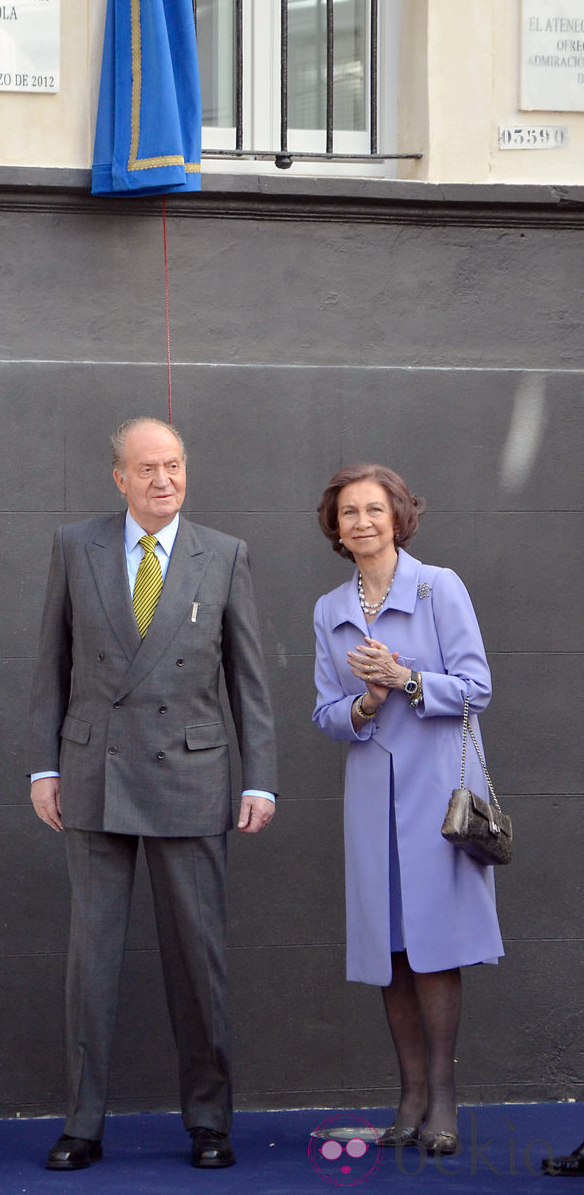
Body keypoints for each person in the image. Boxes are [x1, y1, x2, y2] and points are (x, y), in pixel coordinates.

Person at [29, 416, 277, 1171]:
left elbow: (249, 679)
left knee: (197, 960)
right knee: (90, 961)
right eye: (147, 468)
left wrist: (259, 775)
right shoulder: (76, 545)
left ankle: (209, 1120)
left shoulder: (224, 555)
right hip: (94, 774)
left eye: (173, 465)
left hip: (191, 775)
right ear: (119, 477)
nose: (163, 479)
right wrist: (45, 768)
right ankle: (81, 1121)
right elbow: (51, 664)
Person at [312, 463, 504, 1159]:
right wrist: (364, 700)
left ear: (398, 516)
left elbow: (477, 685)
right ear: (335, 527)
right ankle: (410, 1093)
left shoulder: (436, 586)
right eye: (348, 513)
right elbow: (326, 713)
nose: (361, 522)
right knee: (390, 949)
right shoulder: (329, 608)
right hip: (371, 796)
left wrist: (407, 679)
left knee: (434, 944)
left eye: (374, 509)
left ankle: (445, 1097)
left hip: (434, 792)